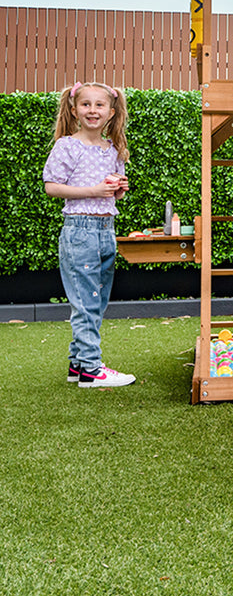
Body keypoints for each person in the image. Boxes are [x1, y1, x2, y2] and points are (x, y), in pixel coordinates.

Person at [42, 82, 135, 387]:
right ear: (74, 110)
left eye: (99, 105)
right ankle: (92, 371)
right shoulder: (67, 145)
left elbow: (114, 196)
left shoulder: (114, 150)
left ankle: (79, 365)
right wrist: (94, 191)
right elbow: (52, 187)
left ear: (111, 112)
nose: (92, 110)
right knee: (85, 301)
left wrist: (119, 190)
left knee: (96, 300)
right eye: (86, 104)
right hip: (79, 230)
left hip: (106, 229)